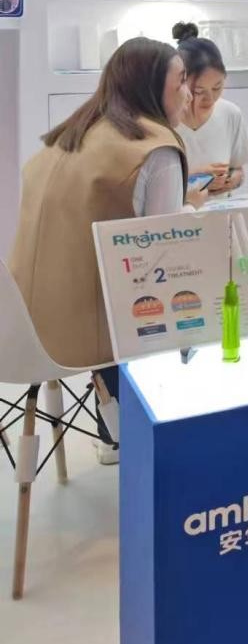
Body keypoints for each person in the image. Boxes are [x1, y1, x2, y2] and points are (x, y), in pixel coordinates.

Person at [8, 38, 196, 461]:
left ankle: (111, 428)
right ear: (151, 88)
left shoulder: (70, 135)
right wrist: (191, 211)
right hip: (94, 339)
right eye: (181, 82)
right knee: (207, 309)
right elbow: (166, 246)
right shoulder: (155, 149)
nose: (188, 94)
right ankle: (166, 445)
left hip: (25, 329)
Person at [173, 22, 248, 195]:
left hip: (223, 208)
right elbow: (155, 185)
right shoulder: (166, 120)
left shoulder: (230, 114)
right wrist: (196, 178)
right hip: (180, 210)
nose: (210, 99)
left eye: (217, 87)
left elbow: (238, 170)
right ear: (180, 82)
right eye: (198, 91)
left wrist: (232, 180)